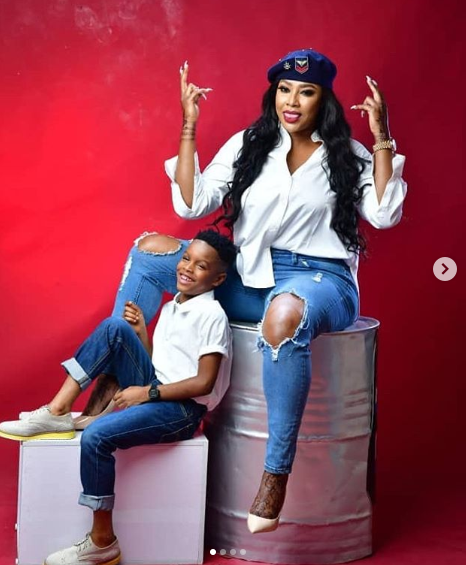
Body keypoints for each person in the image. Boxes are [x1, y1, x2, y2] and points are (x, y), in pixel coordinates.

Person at [108, 49, 407, 534]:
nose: (292, 101)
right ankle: (117, 381)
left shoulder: (347, 154)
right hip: (250, 275)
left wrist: (381, 139)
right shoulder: (249, 144)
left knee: (284, 314)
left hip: (320, 278)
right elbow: (191, 204)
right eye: (285, 90)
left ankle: (275, 473)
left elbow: (384, 213)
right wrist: (189, 126)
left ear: (323, 99)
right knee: (149, 251)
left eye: (306, 92)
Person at [0, 230, 236, 565]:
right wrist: (141, 335)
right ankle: (58, 410)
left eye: (200, 266)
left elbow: (204, 381)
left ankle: (102, 542)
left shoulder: (212, 315)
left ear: (218, 278)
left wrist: (147, 393)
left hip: (183, 411)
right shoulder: (172, 306)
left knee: (96, 437)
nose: (187, 268)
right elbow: (163, 366)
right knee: (116, 327)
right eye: (186, 258)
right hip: (159, 390)